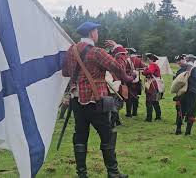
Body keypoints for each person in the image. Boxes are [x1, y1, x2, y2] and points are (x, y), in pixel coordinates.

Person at [62, 21, 134, 178]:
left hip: (76, 100)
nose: (98, 34)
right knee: (107, 135)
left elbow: (65, 73)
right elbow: (119, 68)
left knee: (80, 136)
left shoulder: (70, 51)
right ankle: (113, 173)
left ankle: (82, 174)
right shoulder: (97, 52)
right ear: (91, 33)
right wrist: (119, 49)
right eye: (96, 31)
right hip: (96, 101)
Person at [125, 48, 147, 117]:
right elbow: (144, 67)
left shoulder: (127, 60)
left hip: (129, 80)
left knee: (129, 97)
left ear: (129, 52)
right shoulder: (138, 60)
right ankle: (135, 113)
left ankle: (129, 113)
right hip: (137, 80)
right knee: (135, 97)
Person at [143, 53, 162, 122]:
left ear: (151, 59)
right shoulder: (154, 65)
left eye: (148, 59)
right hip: (155, 85)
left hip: (152, 85)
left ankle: (149, 118)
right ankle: (158, 116)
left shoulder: (152, 65)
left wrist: (145, 70)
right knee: (155, 101)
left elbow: (148, 72)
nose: (147, 60)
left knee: (149, 101)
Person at [172, 54, 187, 128]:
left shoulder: (184, 69)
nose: (178, 62)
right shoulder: (180, 70)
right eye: (177, 61)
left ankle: (179, 122)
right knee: (180, 107)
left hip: (183, 91)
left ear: (183, 59)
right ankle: (179, 121)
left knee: (180, 107)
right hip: (181, 91)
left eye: (179, 60)